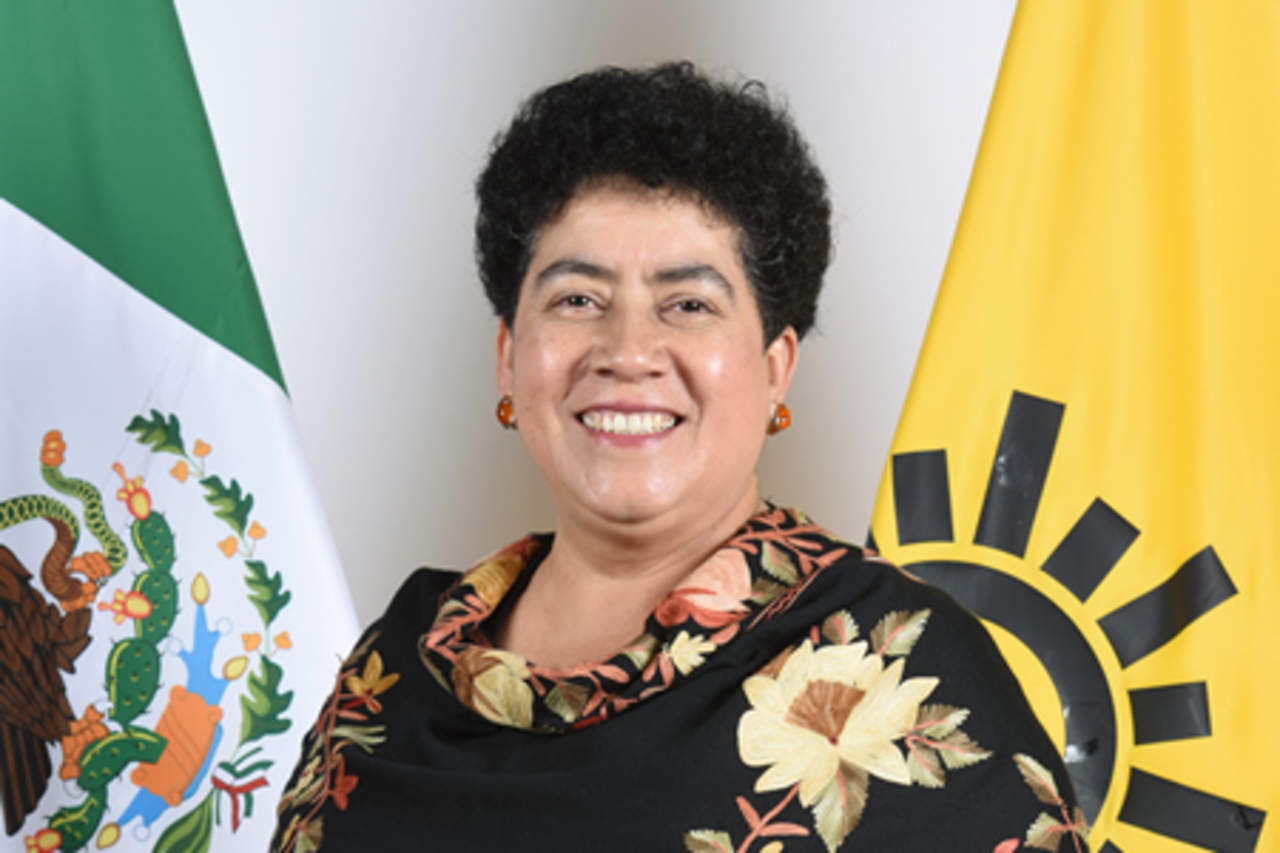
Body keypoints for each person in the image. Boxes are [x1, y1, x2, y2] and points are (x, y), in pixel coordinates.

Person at [271, 63, 1088, 852]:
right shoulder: (394, 665)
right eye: (577, 299)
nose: (628, 351)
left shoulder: (902, 669)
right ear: (509, 357)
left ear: (775, 368)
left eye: (688, 303)